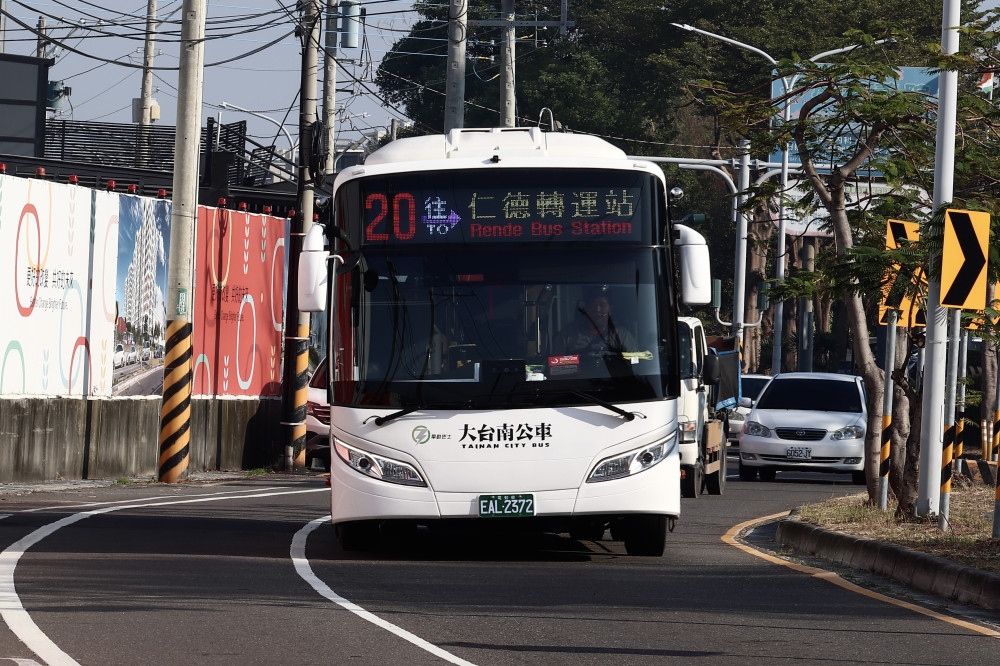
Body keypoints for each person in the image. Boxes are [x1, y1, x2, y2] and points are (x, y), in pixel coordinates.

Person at [557, 289, 637, 359]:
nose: (597, 309)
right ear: (586, 309)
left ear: (610, 309)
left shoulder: (623, 336)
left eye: (602, 305)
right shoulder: (568, 333)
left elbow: (636, 363)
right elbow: (554, 365)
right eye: (593, 305)